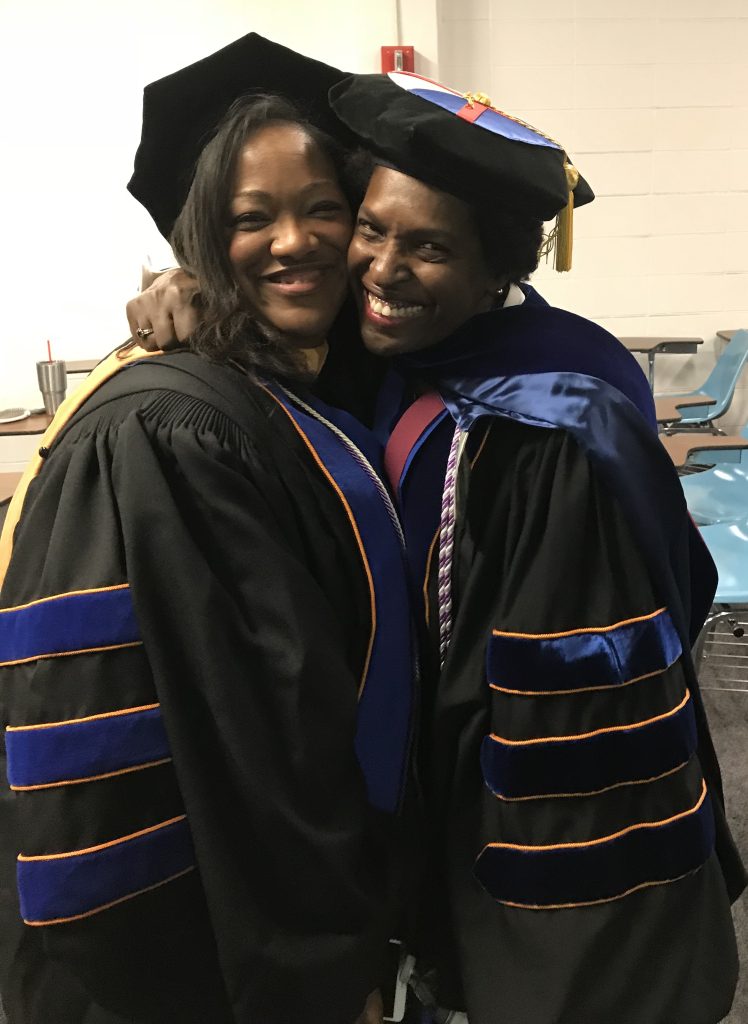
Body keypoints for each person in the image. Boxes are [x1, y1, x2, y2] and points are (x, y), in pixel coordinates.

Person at [128, 38, 746, 1024]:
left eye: (429, 247)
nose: (378, 268)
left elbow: (563, 734)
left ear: (494, 266)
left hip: (550, 893)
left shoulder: (548, 421)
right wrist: (200, 287)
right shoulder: (405, 356)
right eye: (370, 227)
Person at [0, 51, 417, 1024]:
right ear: (203, 238)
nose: (295, 240)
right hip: (200, 957)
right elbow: (245, 745)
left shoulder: (304, 385)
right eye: (249, 218)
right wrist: (324, 962)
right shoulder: (166, 430)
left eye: (323, 207)